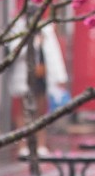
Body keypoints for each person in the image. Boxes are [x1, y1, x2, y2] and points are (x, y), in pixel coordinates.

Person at [8, 24, 68, 157]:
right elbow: (14, 51)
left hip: (42, 77)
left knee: (41, 112)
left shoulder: (46, 30)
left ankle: (41, 145)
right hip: (23, 77)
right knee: (23, 112)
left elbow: (53, 55)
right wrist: (34, 43)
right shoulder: (19, 29)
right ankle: (22, 146)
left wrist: (60, 77)